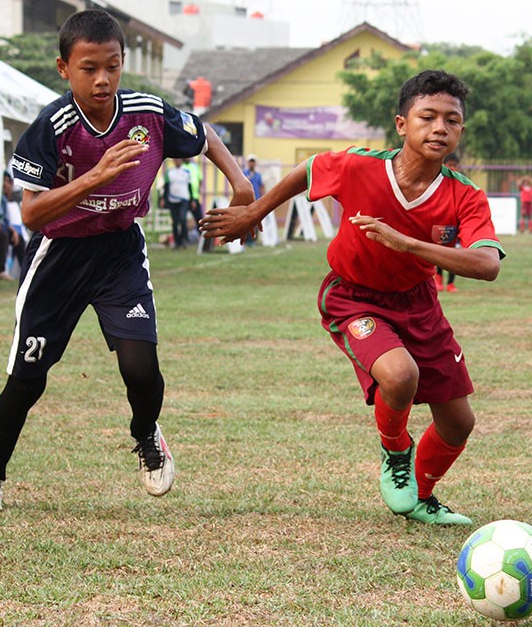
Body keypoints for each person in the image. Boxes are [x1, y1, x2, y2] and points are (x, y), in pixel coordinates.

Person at [0, 9, 254, 513]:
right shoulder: (50, 127)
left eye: (112, 67)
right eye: (89, 68)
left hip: (119, 251)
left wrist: (242, 185)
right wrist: (92, 179)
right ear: (63, 68)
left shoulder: (146, 112)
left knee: (141, 367)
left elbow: (203, 135)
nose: (102, 79)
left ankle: (145, 435)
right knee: (27, 380)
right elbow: (32, 213)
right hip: (59, 256)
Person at [201, 69, 504, 525]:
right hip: (353, 297)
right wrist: (253, 212)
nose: (440, 128)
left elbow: (488, 265)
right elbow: (308, 170)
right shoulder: (361, 166)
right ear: (402, 124)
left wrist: (408, 244)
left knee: (459, 423)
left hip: (419, 304)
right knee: (400, 376)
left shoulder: (465, 196)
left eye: (452, 120)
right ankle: (396, 452)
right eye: (428, 117)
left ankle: (419, 497)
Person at [435, 152, 463, 293]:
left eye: (455, 165)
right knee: (441, 252)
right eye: (450, 165)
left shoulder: (461, 183)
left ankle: (451, 284)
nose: (452, 168)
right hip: (442, 222)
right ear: (444, 165)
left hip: (456, 223)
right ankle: (438, 278)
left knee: (455, 255)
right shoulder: (437, 181)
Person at [0, 172, 26, 281]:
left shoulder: (4, 199)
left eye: (8, 181)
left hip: (2, 227)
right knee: (3, 236)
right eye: (3, 181)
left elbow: (4, 219)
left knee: (19, 239)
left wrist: (12, 230)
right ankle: (1, 271)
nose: (5, 184)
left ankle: (25, 270)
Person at [162, 158, 192, 248]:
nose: (177, 161)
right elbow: (166, 187)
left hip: (184, 199)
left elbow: (190, 186)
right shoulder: (169, 172)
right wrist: (163, 199)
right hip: (172, 200)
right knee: (175, 222)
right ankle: (177, 242)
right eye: (175, 160)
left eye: (179, 160)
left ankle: (184, 240)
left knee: (183, 219)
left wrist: (193, 200)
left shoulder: (186, 172)